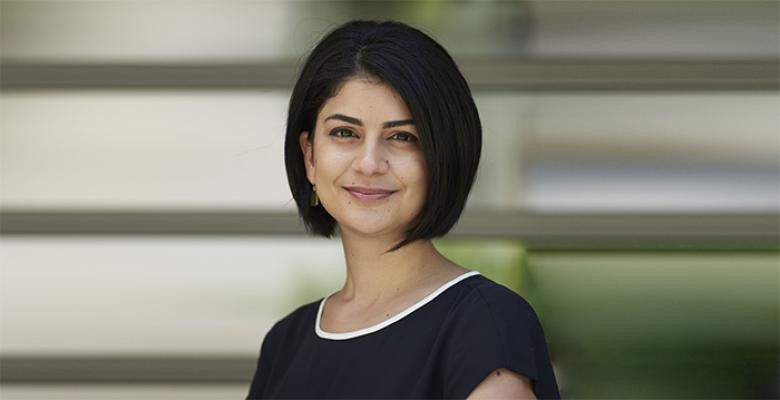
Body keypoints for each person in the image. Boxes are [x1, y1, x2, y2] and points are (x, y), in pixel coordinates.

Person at [246, 20, 560, 399]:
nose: (369, 163)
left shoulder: (485, 323)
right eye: (345, 133)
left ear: (442, 158)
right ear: (310, 156)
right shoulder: (286, 342)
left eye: (402, 137)